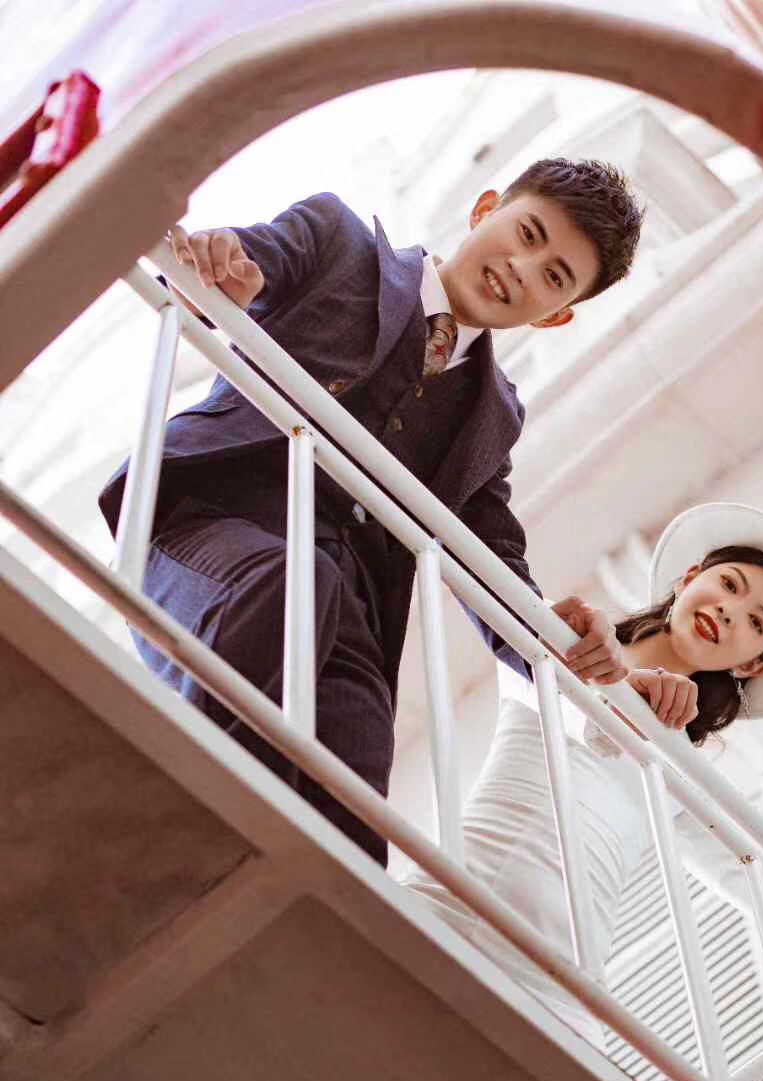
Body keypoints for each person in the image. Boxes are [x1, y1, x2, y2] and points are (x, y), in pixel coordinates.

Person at [99, 161, 645, 863]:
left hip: (348, 609)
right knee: (295, 583)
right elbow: (246, 260)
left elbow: (493, 559)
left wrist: (582, 650)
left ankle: (299, 903)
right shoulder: (340, 242)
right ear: (485, 209)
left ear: (556, 315)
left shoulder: (494, 416)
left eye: (553, 276)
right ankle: (181, 831)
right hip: (206, 530)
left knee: (358, 742)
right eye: (528, 234)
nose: (522, 266)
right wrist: (224, 266)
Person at [403, 503, 763, 1045]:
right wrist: (623, 691)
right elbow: (557, 687)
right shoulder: (562, 635)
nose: (729, 612)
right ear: (689, 578)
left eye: (755, 623)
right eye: (729, 585)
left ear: (751, 666)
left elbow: (756, 884)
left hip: (560, 994)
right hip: (448, 909)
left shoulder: (683, 774)